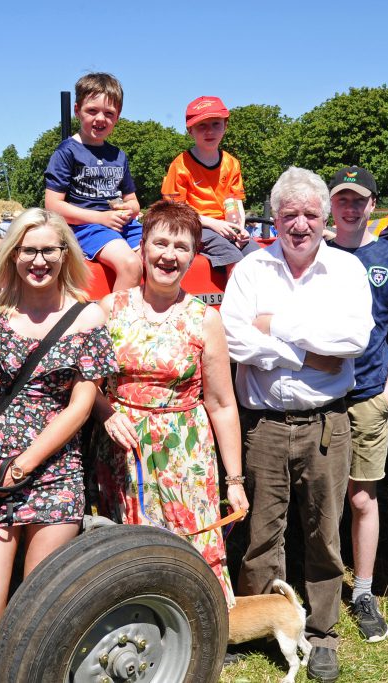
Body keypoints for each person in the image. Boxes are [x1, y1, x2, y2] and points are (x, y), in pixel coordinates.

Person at [0, 208, 117, 679]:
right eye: (28, 250)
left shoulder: (88, 317)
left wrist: (23, 465)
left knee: (37, 619)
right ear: (12, 254)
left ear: (65, 254)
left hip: (55, 473)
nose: (38, 261)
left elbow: (80, 406)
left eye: (48, 250)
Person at [221, 167, 373, 683]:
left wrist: (276, 328)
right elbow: (235, 339)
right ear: (275, 217)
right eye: (290, 214)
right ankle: (262, 626)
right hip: (263, 423)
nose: (300, 224)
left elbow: (352, 340)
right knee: (262, 532)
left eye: (310, 214)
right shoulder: (251, 269)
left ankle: (322, 632)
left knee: (323, 531)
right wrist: (306, 354)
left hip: (325, 422)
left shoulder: (346, 270)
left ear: (325, 218)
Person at [92, 200, 248, 610]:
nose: (169, 255)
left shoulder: (204, 319)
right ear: (142, 246)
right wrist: (107, 412)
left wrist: (235, 481)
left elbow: (221, 404)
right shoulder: (110, 308)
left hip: (185, 453)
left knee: (191, 545)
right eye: (160, 243)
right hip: (123, 453)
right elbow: (85, 385)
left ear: (193, 256)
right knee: (128, 550)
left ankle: (201, 625)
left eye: (181, 247)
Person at [326, 166, 388, 642]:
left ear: (372, 205)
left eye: (358, 200)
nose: (350, 208)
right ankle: (321, 584)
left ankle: (362, 591)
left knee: (362, 497)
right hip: (321, 395)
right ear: (331, 205)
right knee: (321, 498)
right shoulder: (316, 252)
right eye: (342, 199)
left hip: (367, 395)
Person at [44, 73, 143, 291]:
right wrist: (101, 218)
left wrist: (129, 210)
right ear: (77, 110)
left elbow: (134, 202)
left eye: (109, 113)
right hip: (85, 227)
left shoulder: (118, 156)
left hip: (122, 225)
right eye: (92, 111)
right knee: (130, 264)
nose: (100, 118)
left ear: (117, 117)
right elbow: (52, 206)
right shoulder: (67, 152)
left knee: (158, 255)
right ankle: (115, 314)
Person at [160, 96, 261, 269]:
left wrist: (240, 229)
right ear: (190, 130)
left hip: (226, 226)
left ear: (225, 126)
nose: (210, 131)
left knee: (257, 256)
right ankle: (233, 287)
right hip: (194, 226)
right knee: (232, 256)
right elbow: (176, 211)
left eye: (216, 124)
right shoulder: (180, 165)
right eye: (202, 125)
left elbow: (235, 202)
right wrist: (214, 223)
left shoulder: (231, 163)